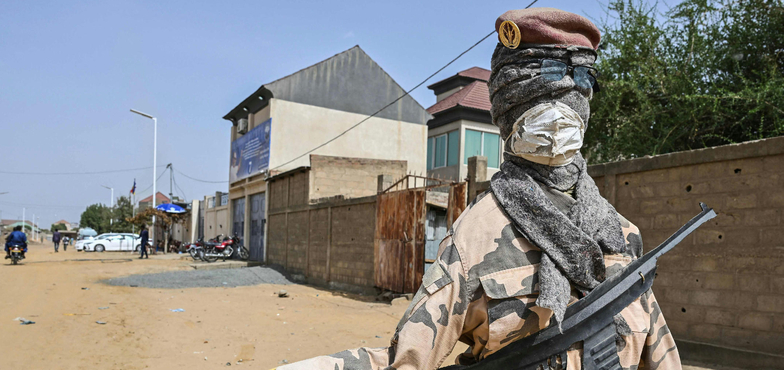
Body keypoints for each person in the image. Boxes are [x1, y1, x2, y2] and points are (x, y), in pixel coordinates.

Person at [278, 8, 680, 370]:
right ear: (508, 106)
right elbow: (409, 359)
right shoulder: (475, 237)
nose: (561, 114)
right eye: (543, 92)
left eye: (579, 82)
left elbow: (658, 352)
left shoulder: (620, 234)